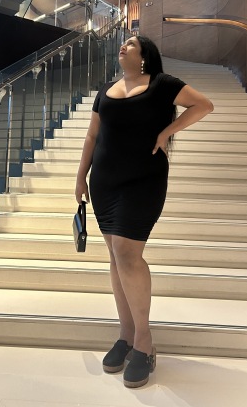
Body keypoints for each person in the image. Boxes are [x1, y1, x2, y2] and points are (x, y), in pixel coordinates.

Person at [75, 35, 214, 388]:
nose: (124, 45)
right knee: (115, 256)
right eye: (123, 43)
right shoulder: (105, 91)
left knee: (126, 252)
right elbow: (92, 137)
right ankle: (125, 335)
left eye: (132, 43)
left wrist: (167, 132)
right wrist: (80, 177)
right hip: (105, 182)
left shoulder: (162, 84)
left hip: (143, 180)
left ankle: (144, 341)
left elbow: (203, 105)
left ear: (145, 55)